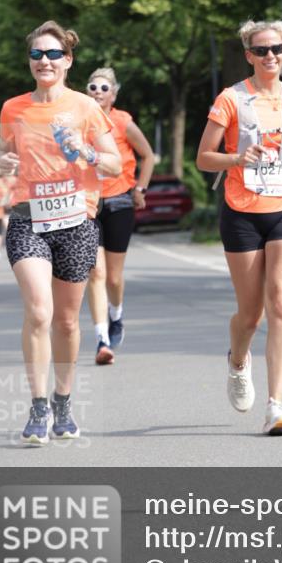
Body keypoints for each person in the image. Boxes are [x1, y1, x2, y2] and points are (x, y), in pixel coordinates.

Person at [0, 21, 121, 445]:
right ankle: (37, 408)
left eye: (52, 55)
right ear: (29, 61)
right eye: (37, 55)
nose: (44, 62)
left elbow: (114, 164)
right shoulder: (13, 108)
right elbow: (4, 158)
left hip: (75, 221)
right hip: (28, 218)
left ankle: (63, 401)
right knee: (39, 310)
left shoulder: (86, 108)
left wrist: (85, 151)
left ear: (67, 61)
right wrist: (4, 166)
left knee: (67, 321)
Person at [196, 20, 282, 436]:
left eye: (278, 48)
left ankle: (276, 406)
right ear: (249, 55)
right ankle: (237, 360)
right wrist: (236, 159)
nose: (271, 56)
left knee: (281, 302)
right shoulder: (231, 99)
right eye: (262, 50)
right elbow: (203, 158)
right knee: (251, 315)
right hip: (243, 212)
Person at [85, 67, 155, 365]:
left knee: (113, 276)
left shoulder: (123, 121)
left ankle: (116, 315)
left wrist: (141, 188)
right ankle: (101, 338)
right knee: (95, 273)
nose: (98, 92)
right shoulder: (76, 119)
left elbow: (148, 155)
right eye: (93, 87)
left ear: (113, 95)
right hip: (86, 203)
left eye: (104, 88)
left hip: (118, 201)